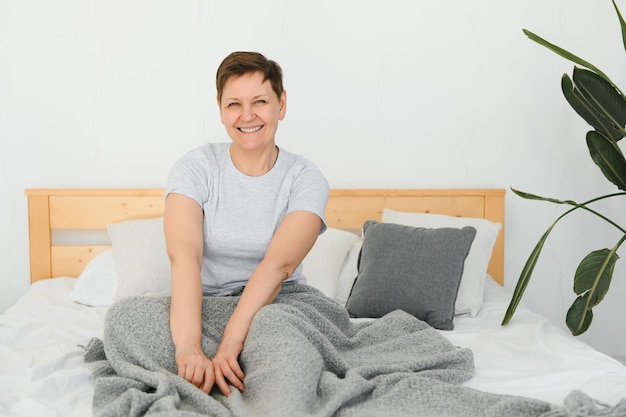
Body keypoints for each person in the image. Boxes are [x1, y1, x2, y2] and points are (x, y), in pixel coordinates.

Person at [163, 51, 329, 397]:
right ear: (221, 110)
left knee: (279, 340)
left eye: (260, 102)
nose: (247, 115)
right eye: (234, 104)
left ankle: (245, 375)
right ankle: (208, 366)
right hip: (204, 305)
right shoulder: (195, 168)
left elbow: (278, 265)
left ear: (281, 105)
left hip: (279, 304)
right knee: (124, 318)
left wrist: (229, 344)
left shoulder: (306, 178)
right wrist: (189, 346)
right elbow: (185, 257)